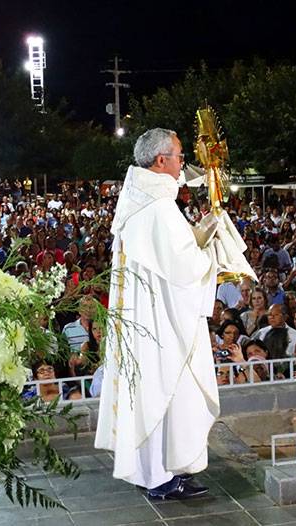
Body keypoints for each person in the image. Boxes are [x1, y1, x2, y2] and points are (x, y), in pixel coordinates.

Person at [95, 128, 219, 500]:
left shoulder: (138, 200)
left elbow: (165, 259)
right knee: (162, 393)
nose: (183, 163)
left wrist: (195, 236)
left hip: (148, 318)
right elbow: (184, 267)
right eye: (180, 156)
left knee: (156, 395)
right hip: (160, 323)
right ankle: (159, 477)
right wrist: (210, 253)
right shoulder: (159, 208)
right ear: (161, 160)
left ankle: (161, 472)